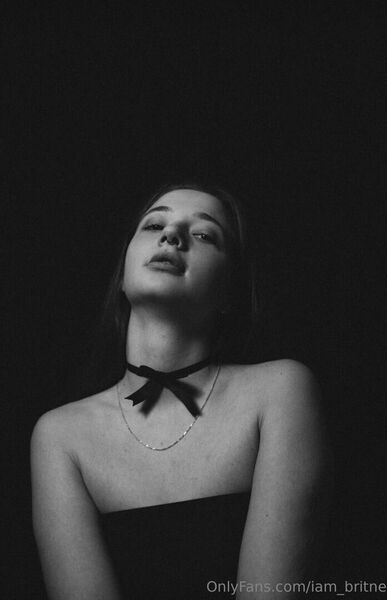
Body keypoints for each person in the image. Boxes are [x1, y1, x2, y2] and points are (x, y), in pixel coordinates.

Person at [31, 182, 332, 600]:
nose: (172, 235)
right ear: (122, 277)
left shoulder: (281, 391)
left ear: (230, 290)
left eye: (204, 234)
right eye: (155, 225)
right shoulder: (60, 434)